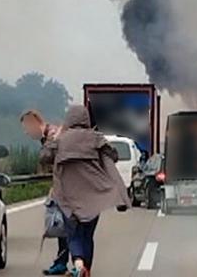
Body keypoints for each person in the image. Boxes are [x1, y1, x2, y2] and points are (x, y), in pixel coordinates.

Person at [40, 105, 130, 277]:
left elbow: (44, 157)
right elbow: (113, 156)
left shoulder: (61, 141)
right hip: (92, 197)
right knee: (87, 235)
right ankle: (85, 268)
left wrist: (55, 138)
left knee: (73, 234)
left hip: (67, 198)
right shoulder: (96, 139)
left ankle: (79, 264)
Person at [19, 110, 68, 276]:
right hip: (63, 187)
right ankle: (63, 262)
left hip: (68, 189)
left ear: (34, 122)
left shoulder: (52, 136)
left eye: (26, 128)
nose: (26, 132)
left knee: (64, 225)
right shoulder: (48, 136)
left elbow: (52, 160)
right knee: (62, 226)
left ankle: (69, 262)